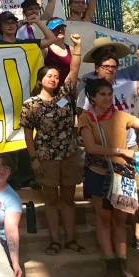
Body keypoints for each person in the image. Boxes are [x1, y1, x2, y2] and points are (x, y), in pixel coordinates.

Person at [78, 77, 139, 277]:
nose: (107, 98)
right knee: (104, 220)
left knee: (120, 221)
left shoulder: (121, 115)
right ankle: (111, 267)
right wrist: (120, 151)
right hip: (98, 172)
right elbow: (91, 147)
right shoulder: (87, 118)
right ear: (92, 98)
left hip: (122, 174)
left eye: (109, 94)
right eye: (102, 95)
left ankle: (123, 267)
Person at [21, 34, 84, 255]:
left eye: (56, 76)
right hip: (46, 157)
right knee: (51, 200)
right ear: (41, 79)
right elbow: (28, 135)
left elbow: (74, 71)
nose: (54, 79)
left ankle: (71, 239)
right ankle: (55, 240)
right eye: (49, 76)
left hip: (69, 154)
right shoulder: (31, 104)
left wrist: (77, 47)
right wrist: (33, 158)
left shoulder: (65, 96)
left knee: (68, 200)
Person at [77, 37, 139, 118]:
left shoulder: (126, 81)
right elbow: (81, 112)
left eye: (112, 50)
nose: (110, 69)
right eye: (105, 66)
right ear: (97, 67)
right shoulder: (86, 81)